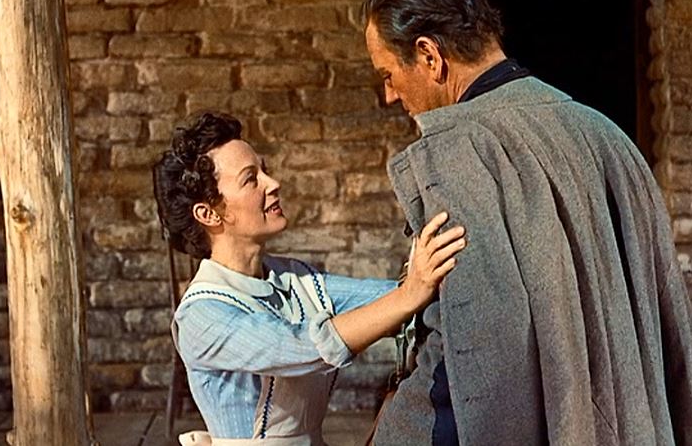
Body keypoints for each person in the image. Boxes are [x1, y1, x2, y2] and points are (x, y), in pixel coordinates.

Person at [360, 0, 692, 445]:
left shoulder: (461, 152)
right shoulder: (606, 134)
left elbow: (478, 352)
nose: (389, 94)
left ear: (429, 56)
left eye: (388, 74)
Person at [152, 112, 466, 446]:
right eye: (251, 179)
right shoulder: (201, 317)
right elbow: (301, 346)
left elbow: (397, 298)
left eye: (264, 170)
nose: (273, 183)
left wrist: (432, 274)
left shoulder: (295, 280)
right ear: (208, 213)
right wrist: (410, 295)